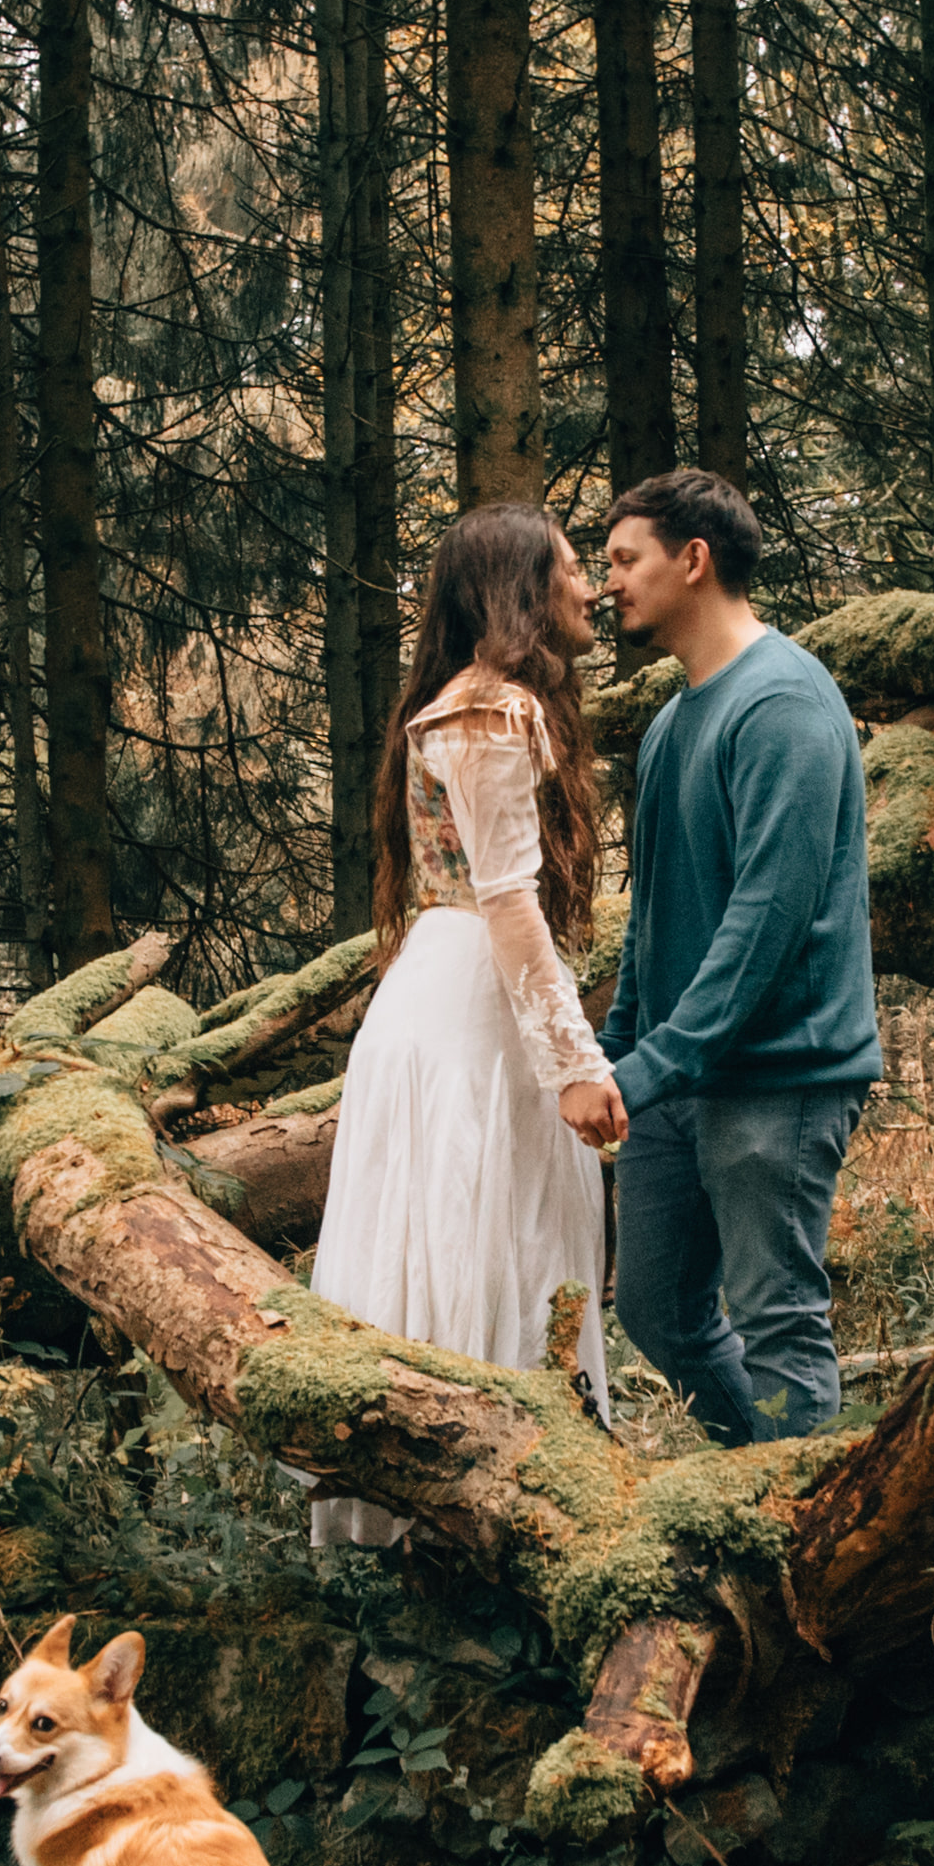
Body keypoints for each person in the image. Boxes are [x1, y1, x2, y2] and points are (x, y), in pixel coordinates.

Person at [305, 505, 620, 1477]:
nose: (590, 588)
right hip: (471, 1013)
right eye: (571, 568)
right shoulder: (490, 712)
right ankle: (483, 1485)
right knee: (476, 1237)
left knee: (468, 1236)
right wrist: (574, 1061)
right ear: (523, 589)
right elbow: (508, 902)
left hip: (453, 996)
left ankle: (477, 1490)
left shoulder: (470, 702)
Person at [579, 468, 883, 1445]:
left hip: (779, 1077)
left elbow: (766, 924)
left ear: (693, 560)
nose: (607, 582)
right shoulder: (672, 724)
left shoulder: (783, 703)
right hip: (678, 1080)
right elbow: (653, 915)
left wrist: (651, 1065)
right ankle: (755, 1474)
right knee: (656, 1309)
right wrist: (617, 1055)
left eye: (625, 558)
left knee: (778, 1322)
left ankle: (811, 1520)